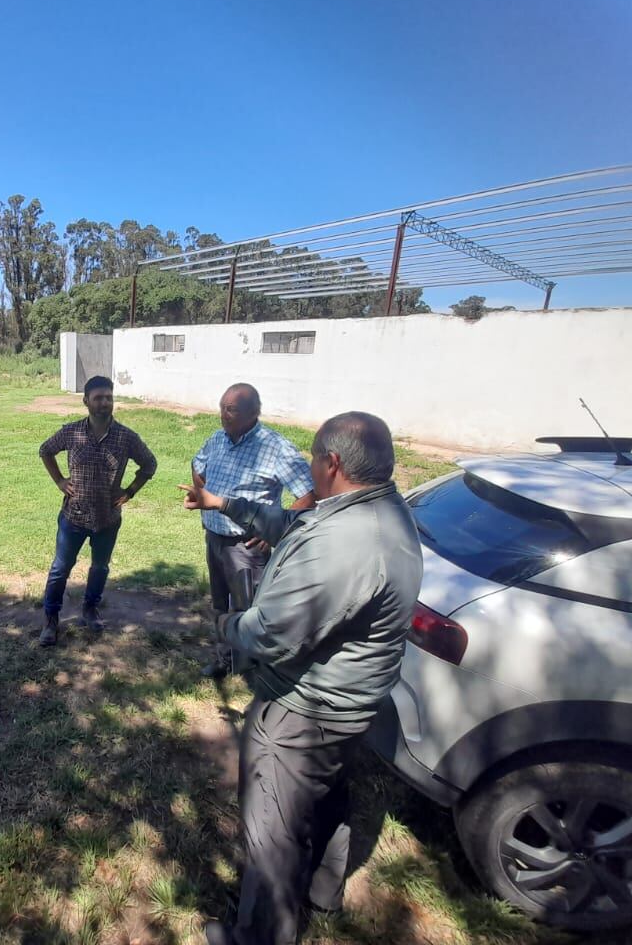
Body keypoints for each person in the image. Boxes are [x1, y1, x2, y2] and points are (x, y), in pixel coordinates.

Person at [181, 412, 423, 945]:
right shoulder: (375, 510)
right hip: (349, 705)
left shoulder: (350, 542)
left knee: (272, 829)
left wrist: (223, 623)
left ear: (331, 463)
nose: (309, 466)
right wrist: (224, 504)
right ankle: (324, 890)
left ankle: (261, 934)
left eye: (314, 458)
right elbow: (294, 527)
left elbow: (271, 633)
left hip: (303, 710)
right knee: (330, 796)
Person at [191, 384, 315, 679]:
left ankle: (256, 670)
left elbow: (309, 493)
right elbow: (197, 464)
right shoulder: (217, 439)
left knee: (251, 609)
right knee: (220, 602)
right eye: (222, 407)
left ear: (254, 413)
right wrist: (202, 490)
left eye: (231, 410)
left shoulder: (275, 447)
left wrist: (274, 527)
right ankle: (225, 660)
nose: (224, 415)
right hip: (215, 538)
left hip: (246, 545)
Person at [37, 375, 157, 646]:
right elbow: (45, 450)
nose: (104, 403)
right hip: (74, 516)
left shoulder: (126, 437)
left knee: (100, 567)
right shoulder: (72, 432)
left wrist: (130, 491)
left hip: (108, 518)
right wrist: (59, 480)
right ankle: (50, 620)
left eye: (109, 397)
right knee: (60, 568)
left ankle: (90, 609)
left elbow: (149, 464)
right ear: (86, 401)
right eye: (98, 397)